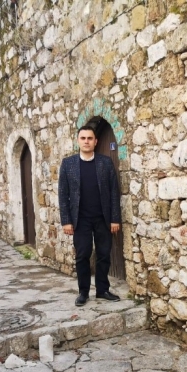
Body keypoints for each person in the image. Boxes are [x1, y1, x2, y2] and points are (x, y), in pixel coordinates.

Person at [58, 125, 122, 306]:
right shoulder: (68, 164)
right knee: (82, 256)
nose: (86, 141)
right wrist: (66, 221)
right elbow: (63, 194)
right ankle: (83, 292)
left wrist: (114, 218)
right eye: (83, 138)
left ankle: (102, 290)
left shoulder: (105, 162)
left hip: (103, 218)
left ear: (96, 141)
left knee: (104, 255)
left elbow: (114, 192)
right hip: (80, 219)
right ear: (78, 141)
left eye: (90, 138)